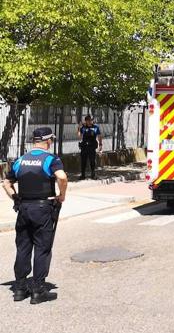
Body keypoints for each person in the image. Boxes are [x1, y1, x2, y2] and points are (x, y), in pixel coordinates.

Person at [2, 127, 67, 304]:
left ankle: (20, 289)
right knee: (42, 248)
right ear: (48, 141)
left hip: (23, 208)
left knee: (23, 247)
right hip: (43, 208)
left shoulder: (20, 160)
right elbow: (62, 177)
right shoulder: (50, 159)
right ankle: (38, 290)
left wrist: (15, 197)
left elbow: (6, 183)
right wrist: (62, 195)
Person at [77, 115, 102, 180]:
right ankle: (83, 175)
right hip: (84, 147)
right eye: (87, 120)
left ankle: (93, 175)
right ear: (85, 121)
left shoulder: (96, 127)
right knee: (83, 162)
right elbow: (79, 137)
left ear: (92, 120)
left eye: (90, 120)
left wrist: (100, 145)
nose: (89, 121)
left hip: (92, 147)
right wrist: (79, 128)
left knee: (92, 161)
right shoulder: (83, 128)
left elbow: (99, 136)